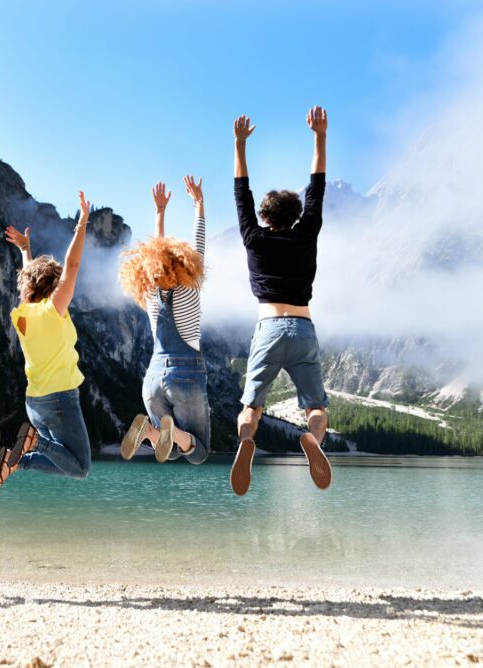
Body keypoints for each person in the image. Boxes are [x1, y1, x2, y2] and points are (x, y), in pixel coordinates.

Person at [230, 107, 333, 495]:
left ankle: (245, 441)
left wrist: (240, 145)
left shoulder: (253, 238)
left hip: (268, 327)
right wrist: (319, 137)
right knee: (316, 407)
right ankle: (314, 440)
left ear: (264, 215)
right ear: (297, 215)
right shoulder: (307, 233)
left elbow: (241, 193)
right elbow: (317, 186)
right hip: (303, 328)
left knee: (251, 406)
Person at [0, 192, 93, 493]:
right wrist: (82, 224)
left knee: (66, 463)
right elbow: (72, 267)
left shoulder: (22, 314)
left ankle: (17, 461)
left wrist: (26, 250)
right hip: (59, 400)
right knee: (80, 467)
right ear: (55, 286)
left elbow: (31, 281)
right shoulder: (53, 310)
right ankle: (36, 443)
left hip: (34, 402)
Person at [118, 176, 210, 464]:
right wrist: (199, 204)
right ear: (186, 264)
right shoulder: (191, 287)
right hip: (186, 374)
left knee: (168, 451)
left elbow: (155, 252)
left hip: (153, 377)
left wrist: (159, 212)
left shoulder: (149, 294)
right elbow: (199, 244)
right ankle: (166, 431)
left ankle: (150, 430)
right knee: (200, 453)